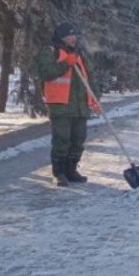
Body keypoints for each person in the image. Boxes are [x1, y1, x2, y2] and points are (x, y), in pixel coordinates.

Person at [37, 22, 101, 187]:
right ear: (61, 36)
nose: (73, 38)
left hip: (80, 106)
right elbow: (46, 73)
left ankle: (71, 170)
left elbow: (88, 78)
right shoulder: (50, 51)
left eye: (74, 35)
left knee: (78, 139)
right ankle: (59, 173)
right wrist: (67, 63)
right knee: (62, 140)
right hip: (61, 105)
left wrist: (94, 98)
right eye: (69, 35)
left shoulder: (78, 54)